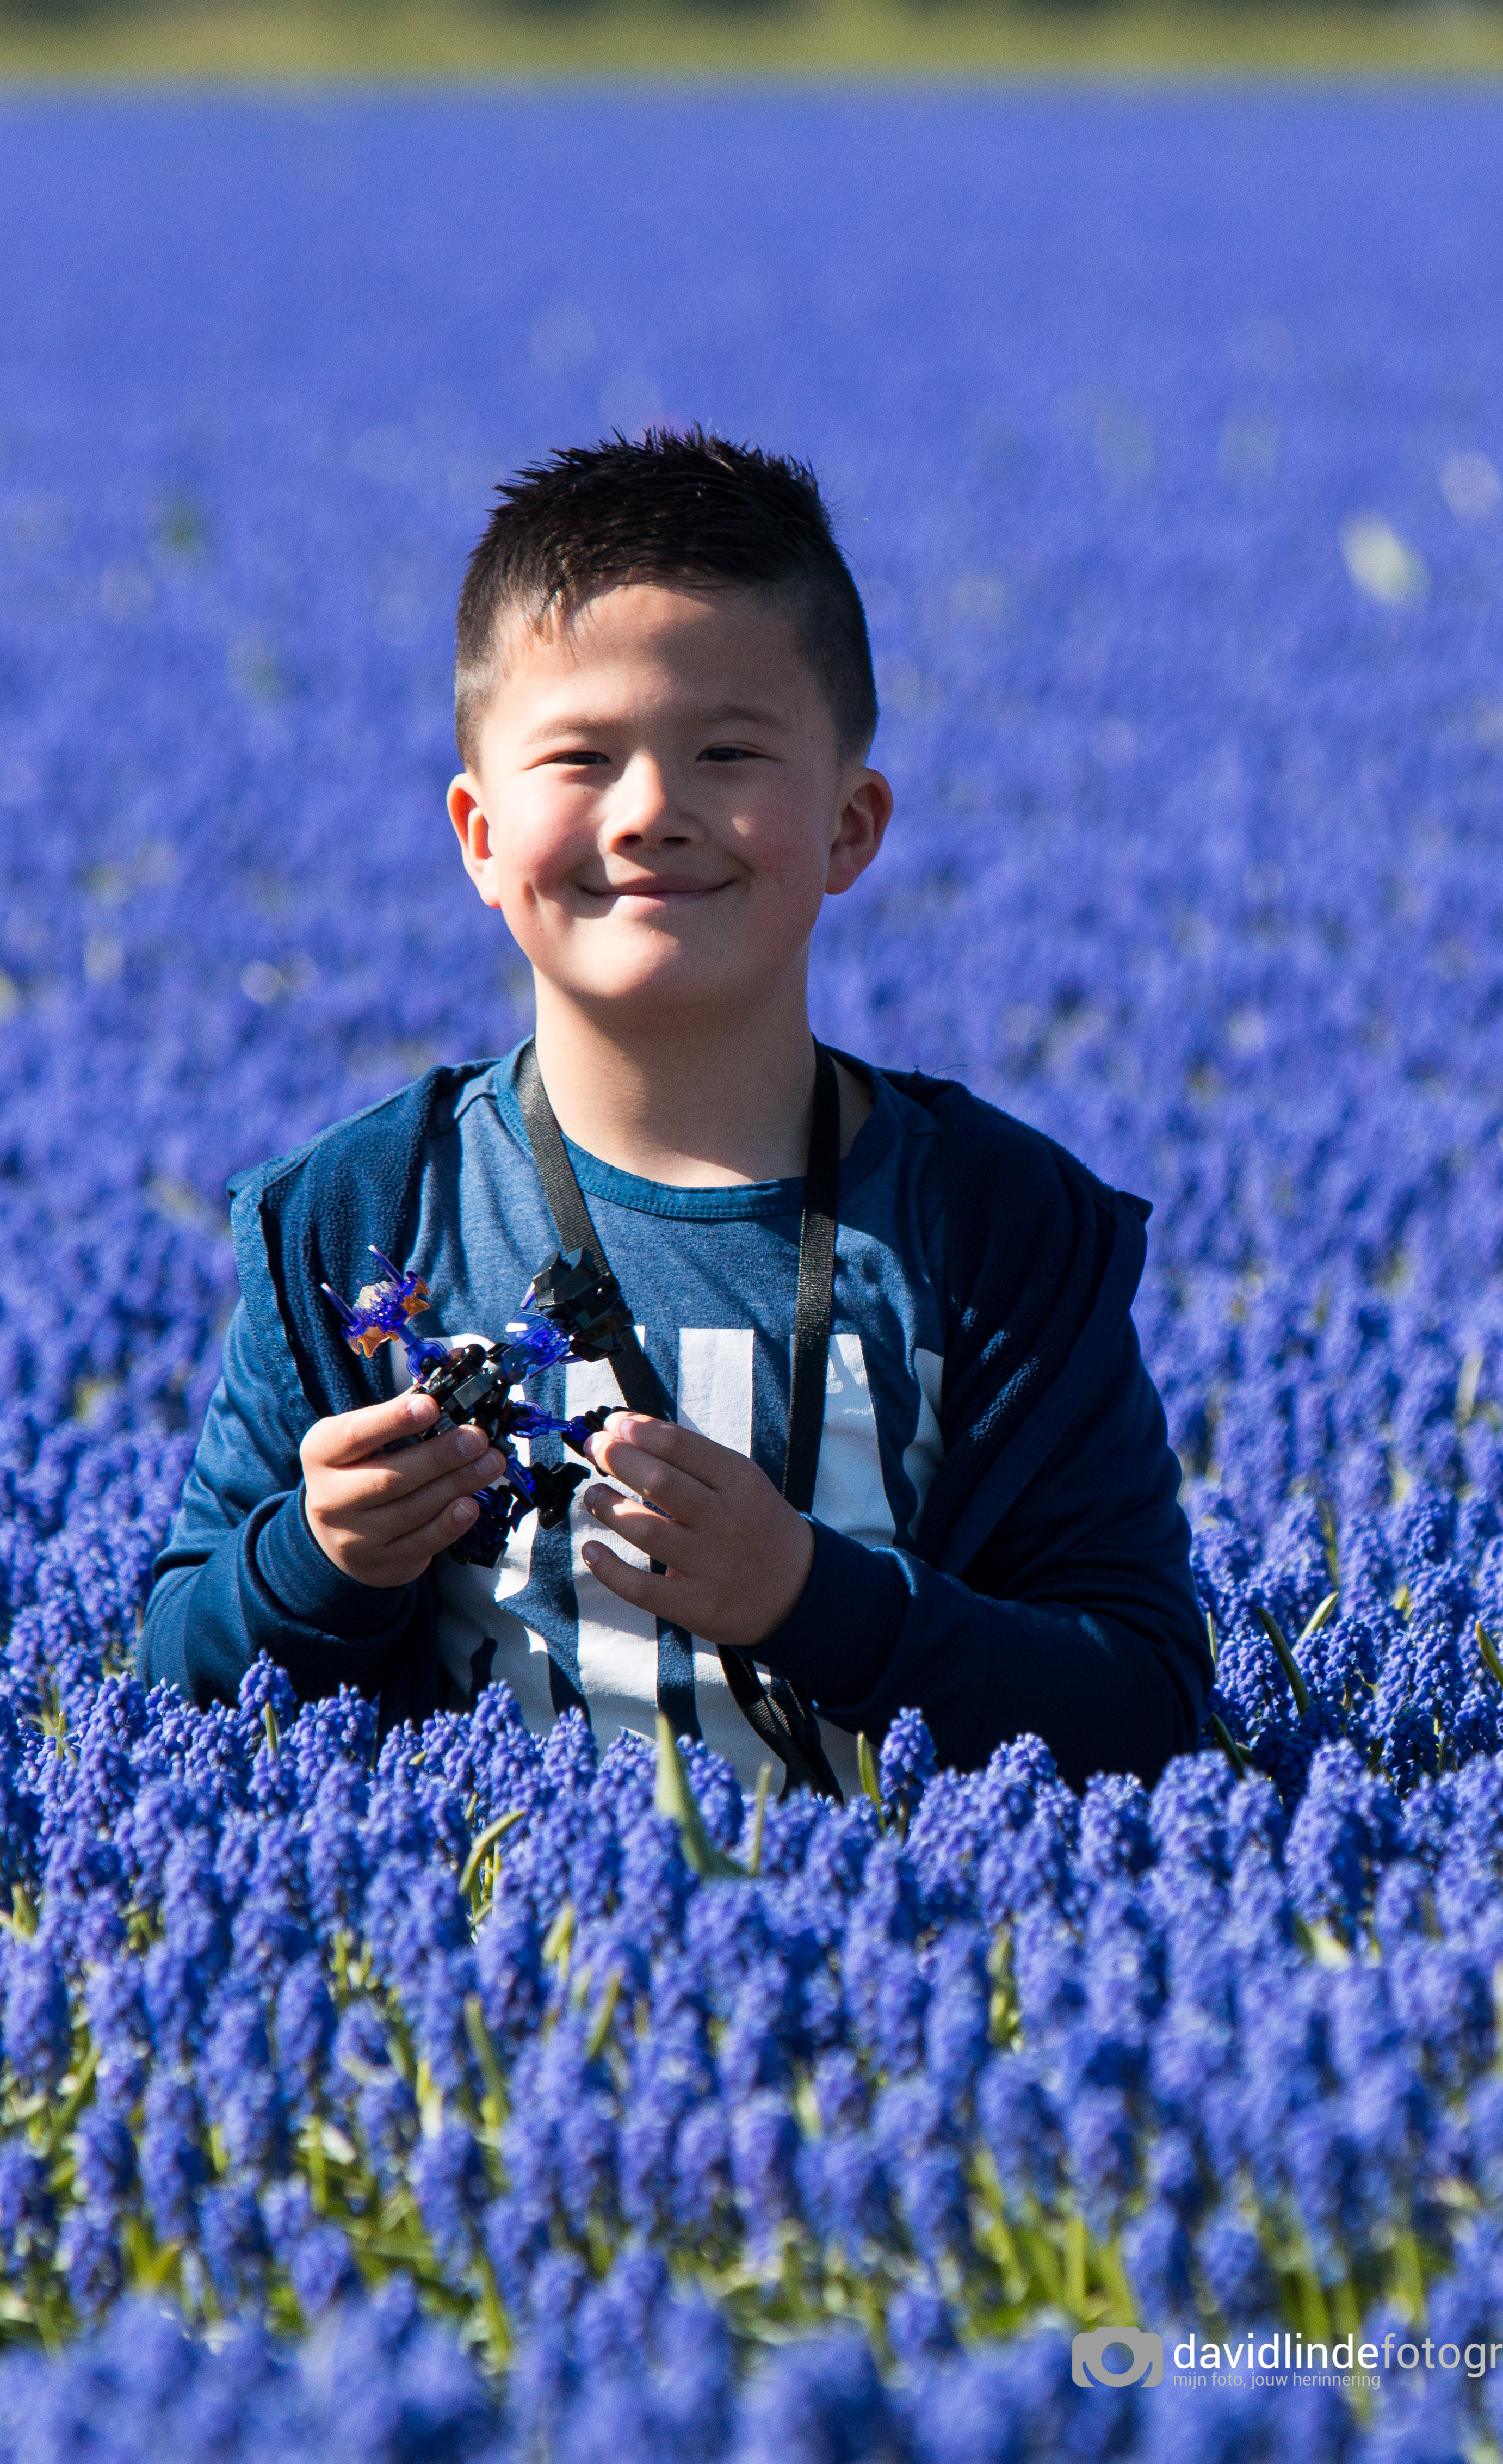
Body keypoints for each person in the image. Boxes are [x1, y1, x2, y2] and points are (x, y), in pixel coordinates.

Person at [140, 429, 1210, 1797]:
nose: (651, 812)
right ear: (477, 833)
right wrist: (318, 1561)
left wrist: (815, 1597)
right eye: (581, 757)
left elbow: (1138, 1697)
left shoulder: (995, 1231)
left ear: (849, 825)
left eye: (726, 750)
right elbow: (177, 1681)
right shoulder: (355, 1220)